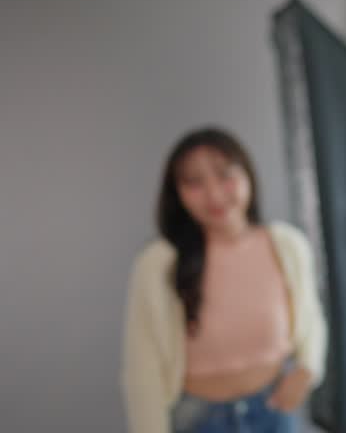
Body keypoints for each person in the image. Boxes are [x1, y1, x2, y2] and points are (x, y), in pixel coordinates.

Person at [121, 128, 327, 433]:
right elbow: (142, 367)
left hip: (273, 410)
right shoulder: (158, 263)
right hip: (199, 419)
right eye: (194, 183)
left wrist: (308, 368)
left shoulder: (287, 244)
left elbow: (311, 320)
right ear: (176, 192)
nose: (214, 194)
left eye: (225, 175)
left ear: (247, 175)